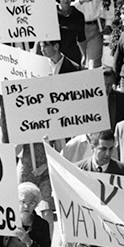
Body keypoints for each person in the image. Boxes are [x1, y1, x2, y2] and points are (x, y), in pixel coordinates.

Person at [17, 40, 80, 235]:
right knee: (23, 211)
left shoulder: (55, 118)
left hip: (46, 169)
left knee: (46, 211)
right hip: (27, 168)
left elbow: (62, 149)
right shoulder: (25, 116)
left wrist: (46, 165)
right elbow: (17, 149)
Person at [56, 0, 86, 66]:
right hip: (55, 57)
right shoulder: (51, 13)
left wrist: (84, 55)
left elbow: (81, 38)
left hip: (72, 57)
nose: (66, 0)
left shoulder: (78, 15)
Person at [102, 65, 124, 130]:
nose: (106, 88)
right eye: (103, 84)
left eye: (109, 84)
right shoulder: (89, 100)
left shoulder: (121, 97)